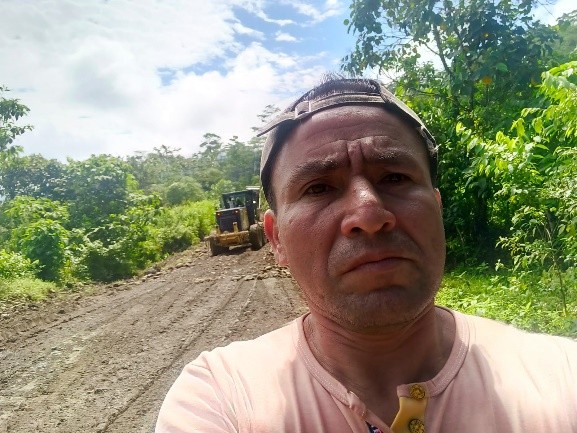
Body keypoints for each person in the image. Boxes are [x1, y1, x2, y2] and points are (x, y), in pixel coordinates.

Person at [155, 77, 577, 433]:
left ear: (437, 209)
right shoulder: (221, 397)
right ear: (276, 238)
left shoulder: (559, 377)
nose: (369, 215)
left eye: (395, 177)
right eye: (319, 188)